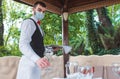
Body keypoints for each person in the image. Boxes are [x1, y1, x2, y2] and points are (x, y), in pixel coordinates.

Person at [16, 1, 59, 79]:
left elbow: (36, 45)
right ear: (33, 9)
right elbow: (23, 44)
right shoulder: (29, 23)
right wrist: (37, 59)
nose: (41, 13)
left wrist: (50, 48)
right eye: (39, 10)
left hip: (36, 65)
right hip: (28, 64)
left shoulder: (38, 26)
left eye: (43, 11)